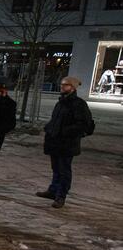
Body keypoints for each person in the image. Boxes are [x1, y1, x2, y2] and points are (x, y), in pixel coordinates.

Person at [37, 76, 92, 209]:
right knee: (56, 168)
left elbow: (83, 124)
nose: (62, 87)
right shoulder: (61, 102)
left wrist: (65, 132)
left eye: (65, 85)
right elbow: (55, 120)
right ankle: (53, 190)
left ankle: (61, 196)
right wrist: (49, 129)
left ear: (72, 87)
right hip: (56, 141)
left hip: (67, 143)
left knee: (64, 170)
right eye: (61, 84)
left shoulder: (78, 104)